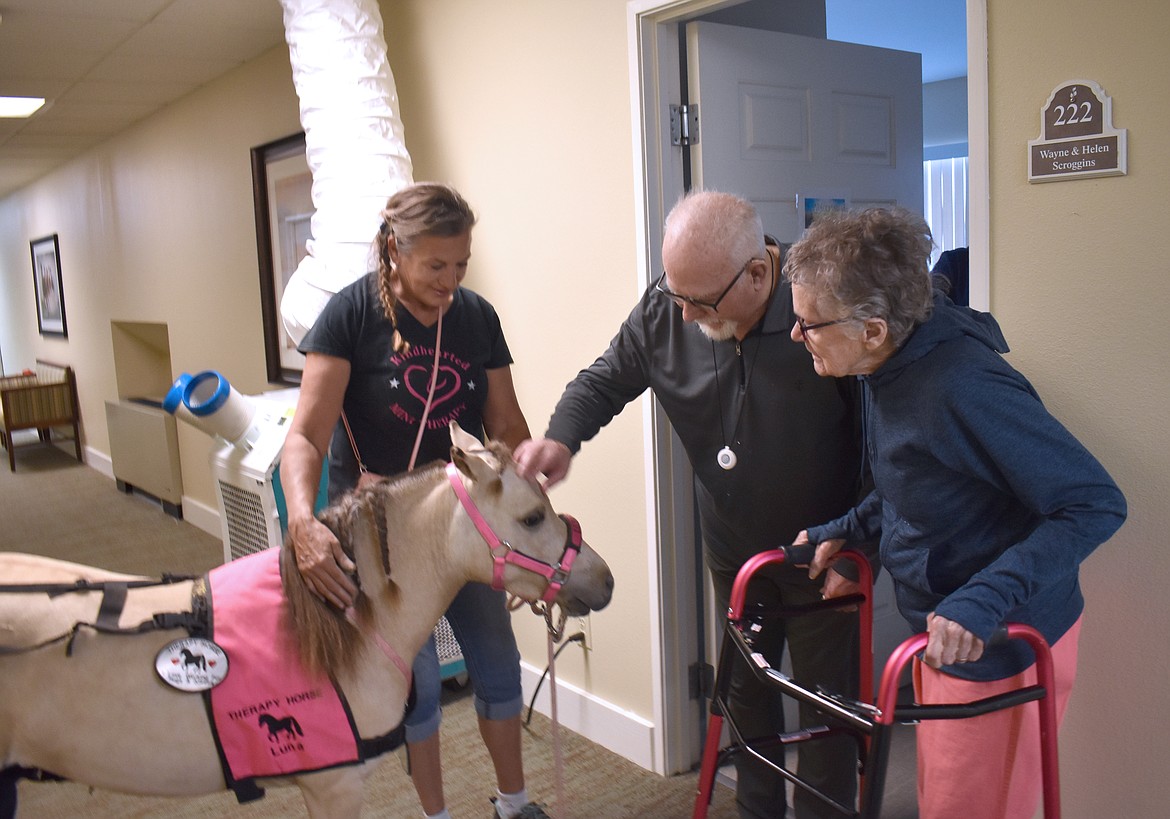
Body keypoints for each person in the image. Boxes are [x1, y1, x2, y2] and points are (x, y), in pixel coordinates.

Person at [514, 190, 866, 819]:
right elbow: (603, 379)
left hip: (823, 556)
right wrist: (560, 437)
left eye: (697, 302)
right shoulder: (667, 307)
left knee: (825, 708)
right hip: (733, 550)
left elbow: (880, 439)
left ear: (759, 273)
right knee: (744, 696)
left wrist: (860, 545)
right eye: (675, 295)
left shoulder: (821, 304)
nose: (679, 316)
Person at [783, 207, 1127, 819]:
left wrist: (983, 598)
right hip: (950, 632)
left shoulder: (963, 385)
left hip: (999, 642)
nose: (795, 334)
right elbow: (924, 480)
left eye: (808, 323)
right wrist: (854, 529)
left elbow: (1094, 503)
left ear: (873, 328)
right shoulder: (886, 364)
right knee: (944, 801)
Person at [280, 182, 548, 819]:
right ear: (394, 252)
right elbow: (305, 437)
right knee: (418, 683)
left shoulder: (476, 317)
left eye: (461, 265)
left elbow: (505, 425)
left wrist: (529, 510)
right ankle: (437, 815)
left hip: (464, 524)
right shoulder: (350, 318)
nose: (450, 280)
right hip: (382, 535)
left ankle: (514, 803)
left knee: (498, 664)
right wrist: (300, 522)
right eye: (435, 265)